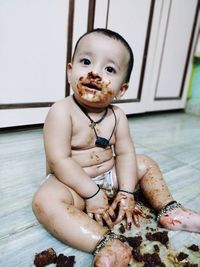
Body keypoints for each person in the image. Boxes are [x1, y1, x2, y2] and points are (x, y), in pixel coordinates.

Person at [32, 28, 200, 267]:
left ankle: (170, 210)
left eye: (109, 69)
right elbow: (60, 160)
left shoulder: (117, 116)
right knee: (44, 201)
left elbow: (124, 153)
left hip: (111, 178)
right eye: (86, 61)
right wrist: (91, 193)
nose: (95, 72)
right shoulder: (61, 111)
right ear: (70, 71)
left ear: (122, 89)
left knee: (145, 163)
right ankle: (103, 242)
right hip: (73, 185)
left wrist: (127, 191)